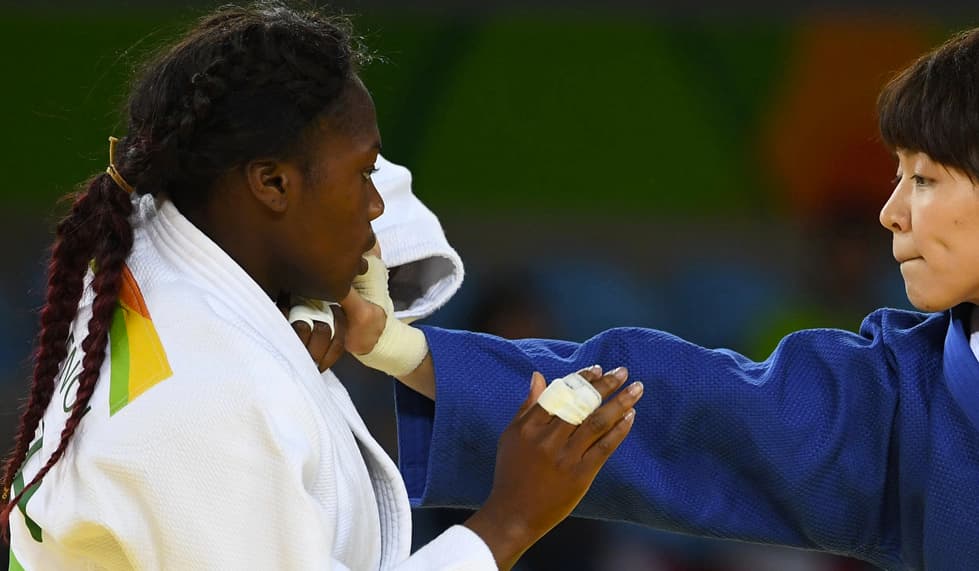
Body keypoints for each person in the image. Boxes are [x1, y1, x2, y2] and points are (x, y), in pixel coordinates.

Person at [0, 3, 645, 570]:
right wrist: (510, 519)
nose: (378, 204)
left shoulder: (153, 231)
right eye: (363, 175)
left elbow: (362, 192)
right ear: (271, 183)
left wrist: (308, 295)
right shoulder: (211, 405)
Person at [333, 26, 979, 571]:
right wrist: (404, 350)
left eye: (922, 178)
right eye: (897, 177)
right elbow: (688, 406)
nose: (891, 212)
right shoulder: (911, 400)